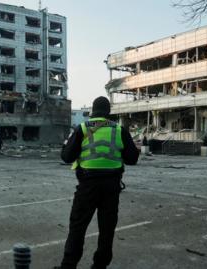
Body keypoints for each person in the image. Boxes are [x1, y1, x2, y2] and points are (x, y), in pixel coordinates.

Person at [55, 96, 139, 269]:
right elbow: (132, 159)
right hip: (111, 187)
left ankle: (68, 266)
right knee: (107, 230)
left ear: (93, 111)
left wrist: (66, 146)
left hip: (87, 185)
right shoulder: (119, 130)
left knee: (78, 227)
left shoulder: (82, 128)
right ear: (108, 112)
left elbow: (67, 157)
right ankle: (100, 266)